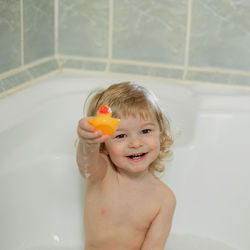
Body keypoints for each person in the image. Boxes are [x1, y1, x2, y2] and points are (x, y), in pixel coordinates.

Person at [76, 82, 176, 250]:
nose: (136, 143)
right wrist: (88, 141)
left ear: (162, 134)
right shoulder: (103, 173)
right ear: (103, 146)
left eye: (145, 131)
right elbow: (86, 165)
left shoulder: (164, 199)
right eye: (121, 135)